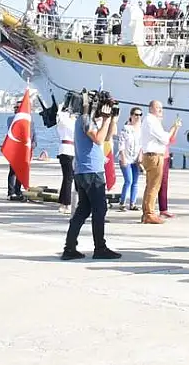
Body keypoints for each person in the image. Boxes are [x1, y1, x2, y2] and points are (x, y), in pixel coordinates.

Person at [61, 103, 121, 261]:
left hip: (85, 171)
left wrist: (112, 120)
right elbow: (99, 140)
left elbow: (107, 138)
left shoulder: (87, 120)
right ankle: (99, 248)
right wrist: (106, 120)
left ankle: (70, 247)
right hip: (91, 172)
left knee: (83, 210)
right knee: (99, 210)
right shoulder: (85, 119)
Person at [140, 100, 181, 224]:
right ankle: (149, 214)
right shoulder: (151, 121)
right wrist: (173, 128)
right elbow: (165, 139)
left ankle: (147, 212)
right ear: (151, 108)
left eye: (161, 108)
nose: (160, 110)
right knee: (154, 186)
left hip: (151, 155)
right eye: (158, 108)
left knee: (150, 186)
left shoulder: (150, 121)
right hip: (154, 156)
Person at [118, 108, 143, 212]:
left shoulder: (141, 130)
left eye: (140, 115)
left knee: (135, 182)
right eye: (136, 115)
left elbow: (142, 145)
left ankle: (132, 203)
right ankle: (122, 202)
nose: (138, 117)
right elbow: (121, 144)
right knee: (129, 180)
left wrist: (140, 157)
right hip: (126, 158)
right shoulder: (126, 128)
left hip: (136, 158)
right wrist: (122, 157)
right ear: (131, 115)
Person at [56, 106, 77, 214]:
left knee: (67, 178)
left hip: (65, 150)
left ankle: (63, 201)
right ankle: (67, 203)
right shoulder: (69, 122)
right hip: (69, 150)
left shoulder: (63, 121)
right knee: (69, 178)